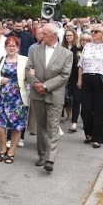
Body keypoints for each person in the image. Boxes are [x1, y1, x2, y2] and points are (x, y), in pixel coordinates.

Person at [26, 24, 73, 172]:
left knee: (52, 127)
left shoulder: (66, 54)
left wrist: (45, 86)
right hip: (37, 94)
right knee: (41, 126)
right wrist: (36, 85)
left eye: (44, 34)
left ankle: (50, 159)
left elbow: (65, 76)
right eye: (40, 34)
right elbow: (28, 70)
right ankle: (42, 155)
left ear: (54, 34)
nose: (41, 36)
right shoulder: (35, 50)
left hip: (55, 94)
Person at [77, 24, 103, 148]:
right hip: (87, 78)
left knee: (101, 109)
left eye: (96, 31)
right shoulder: (87, 46)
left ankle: (98, 138)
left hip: (102, 78)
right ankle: (89, 133)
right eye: (92, 31)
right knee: (86, 110)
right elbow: (81, 64)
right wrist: (79, 79)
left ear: (102, 33)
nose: (93, 33)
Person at [0, 36, 28, 165]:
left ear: (18, 48)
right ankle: (2, 149)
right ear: (5, 47)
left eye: (14, 45)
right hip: (2, 97)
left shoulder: (24, 60)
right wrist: (0, 80)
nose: (11, 48)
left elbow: (29, 76)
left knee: (16, 126)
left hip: (18, 98)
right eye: (9, 45)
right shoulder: (0, 60)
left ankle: (11, 151)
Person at [67, 31, 88, 132]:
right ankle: (74, 122)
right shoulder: (75, 49)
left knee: (86, 102)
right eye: (83, 40)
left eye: (87, 40)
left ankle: (85, 122)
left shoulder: (93, 49)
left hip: (88, 79)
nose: (85, 42)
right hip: (76, 78)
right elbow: (70, 64)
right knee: (76, 100)